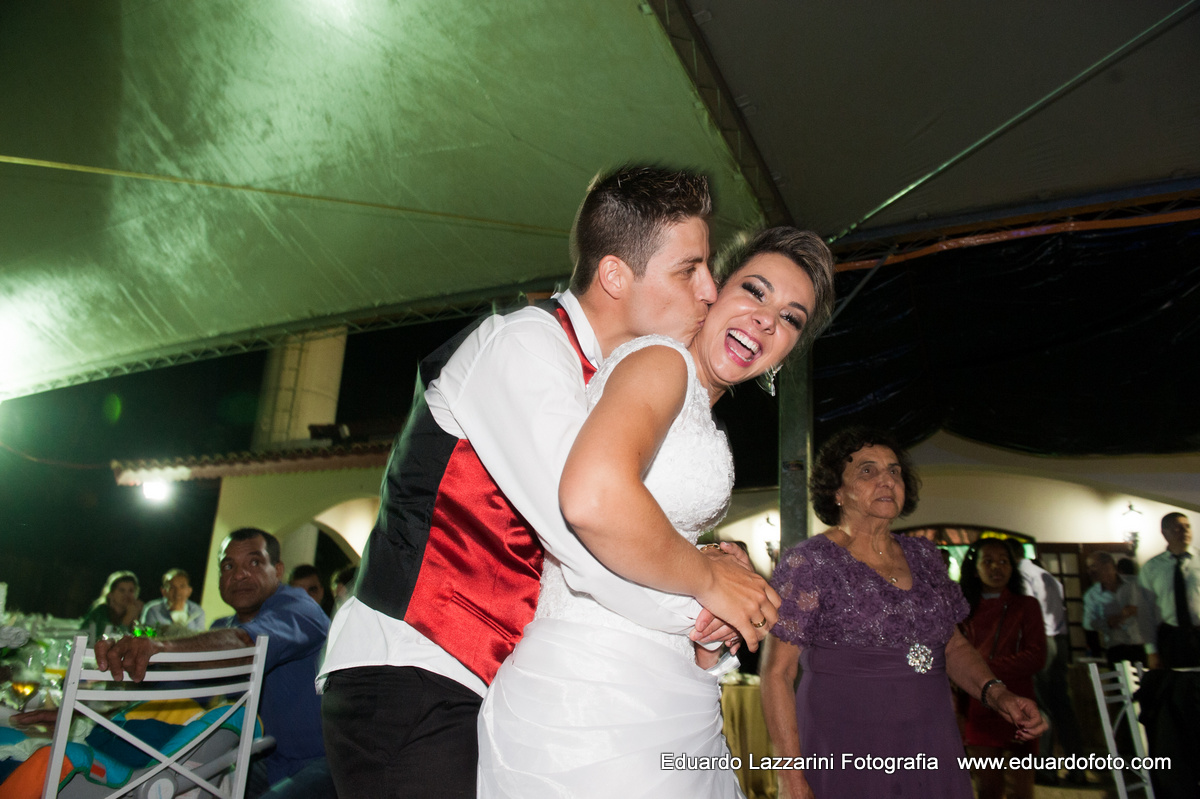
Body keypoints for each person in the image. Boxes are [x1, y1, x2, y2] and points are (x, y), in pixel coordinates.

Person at [318, 166, 773, 799]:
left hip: (491, 680)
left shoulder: (605, 377)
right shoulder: (522, 346)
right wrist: (708, 599)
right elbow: (582, 530)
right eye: (687, 270)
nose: (708, 290)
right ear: (615, 275)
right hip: (412, 667)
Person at [477, 226, 833, 797]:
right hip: (593, 694)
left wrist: (711, 623)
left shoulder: (702, 416)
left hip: (674, 696)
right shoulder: (661, 361)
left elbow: (656, 552)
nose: (768, 320)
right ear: (712, 289)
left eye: (791, 318)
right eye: (756, 291)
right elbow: (592, 500)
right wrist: (711, 578)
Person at [761, 428, 1046, 799]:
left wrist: (998, 694)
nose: (887, 480)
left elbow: (953, 646)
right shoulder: (811, 562)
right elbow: (777, 673)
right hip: (847, 741)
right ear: (837, 490)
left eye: (894, 471)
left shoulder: (924, 557)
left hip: (931, 735)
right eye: (867, 471)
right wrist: (791, 778)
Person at [94, 529, 334, 799]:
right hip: (257, 760)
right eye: (228, 565)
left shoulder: (299, 608)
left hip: (323, 761)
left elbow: (247, 648)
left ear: (277, 571)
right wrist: (85, 715)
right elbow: (180, 690)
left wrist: (159, 646)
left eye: (254, 563)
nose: (239, 574)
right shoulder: (223, 628)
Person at [958, 539, 1047, 799]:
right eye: (988, 561)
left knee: (1021, 790)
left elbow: (1036, 657)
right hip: (977, 705)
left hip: (1019, 704)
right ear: (975, 568)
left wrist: (978, 669)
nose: (997, 567)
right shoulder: (961, 611)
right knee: (987, 788)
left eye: (1003, 561)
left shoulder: (1026, 605)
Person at [1014, 547, 1083, 784]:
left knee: (1040, 703)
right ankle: (1077, 768)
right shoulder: (1048, 576)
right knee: (1062, 704)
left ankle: (1045, 767)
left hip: (1040, 641)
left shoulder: (1021, 575)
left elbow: (1026, 612)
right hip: (1059, 640)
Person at [1138, 512, 1200, 668]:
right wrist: (1151, 650)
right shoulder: (1152, 567)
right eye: (1178, 528)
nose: (1185, 531)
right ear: (1165, 533)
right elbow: (1146, 611)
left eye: (1187, 527)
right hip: (1173, 636)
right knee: (1177, 685)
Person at [1083, 551, 1148, 666]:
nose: (1090, 572)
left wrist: (1137, 610)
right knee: (1119, 683)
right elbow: (1088, 623)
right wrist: (1107, 622)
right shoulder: (1092, 595)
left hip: (1141, 645)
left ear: (1108, 566)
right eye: (1088, 568)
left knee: (1147, 682)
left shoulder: (1135, 583)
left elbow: (1156, 608)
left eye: (1093, 566)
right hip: (1116, 648)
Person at [80, 571, 143, 645]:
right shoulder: (100, 613)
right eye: (122, 590)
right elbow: (106, 642)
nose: (127, 595)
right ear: (111, 594)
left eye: (131, 591)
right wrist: (126, 620)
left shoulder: (137, 612)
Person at [140, 568, 206, 635]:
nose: (177, 592)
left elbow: (200, 638)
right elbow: (147, 636)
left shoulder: (197, 612)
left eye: (182, 586)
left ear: (189, 591)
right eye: (172, 587)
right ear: (164, 591)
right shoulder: (153, 611)